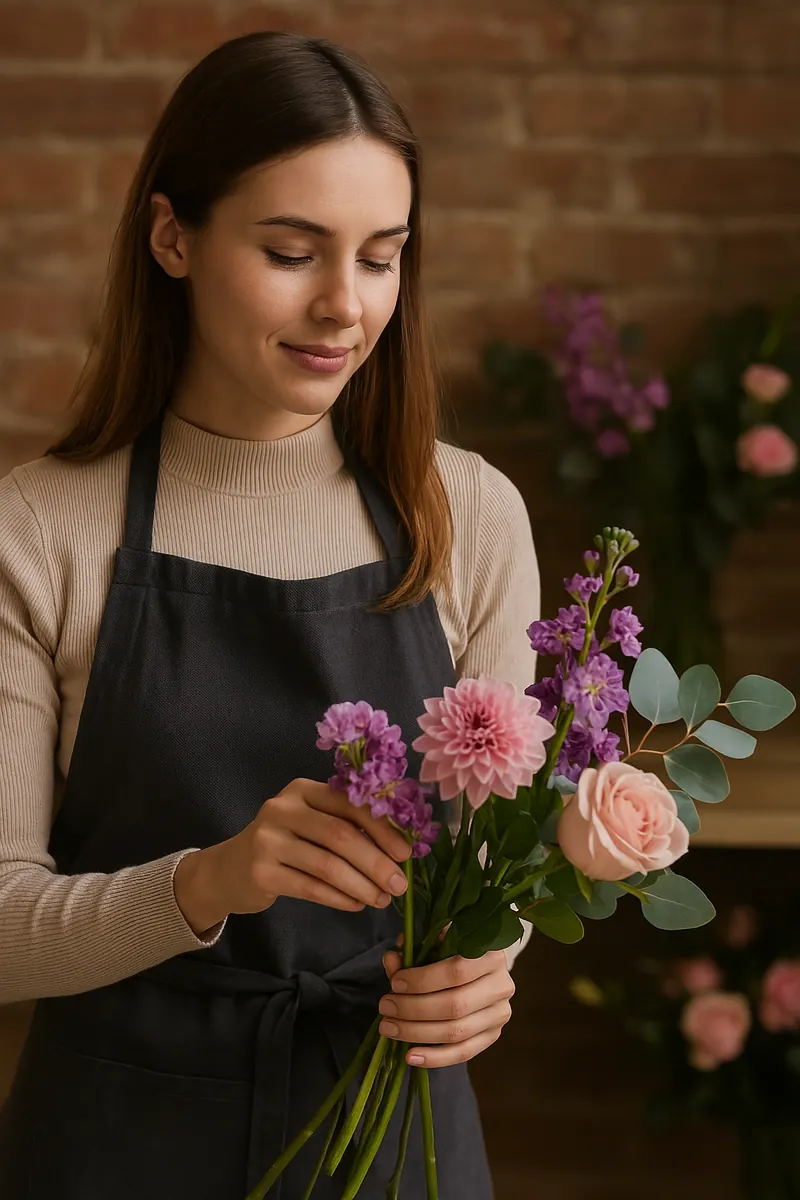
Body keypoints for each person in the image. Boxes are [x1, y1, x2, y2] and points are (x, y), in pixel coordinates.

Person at [0, 30, 540, 1200]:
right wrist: (210, 880)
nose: (344, 306)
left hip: (394, 1133)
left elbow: (506, 866)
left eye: (383, 258)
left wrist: (490, 963)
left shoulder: (471, 514)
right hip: (112, 1141)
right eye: (292, 251)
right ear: (172, 237)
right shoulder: (38, 532)